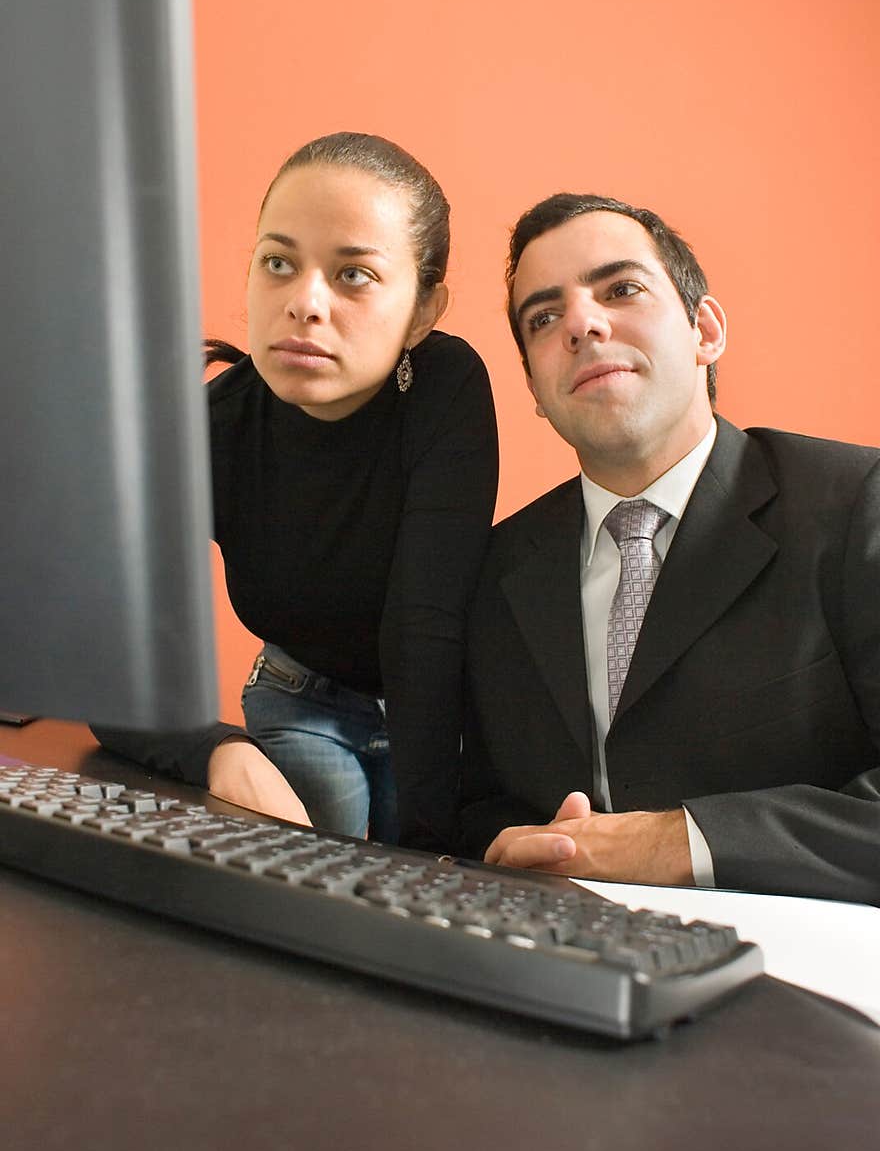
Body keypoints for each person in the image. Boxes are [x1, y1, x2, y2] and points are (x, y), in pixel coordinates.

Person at [456, 191, 880, 904]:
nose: (583, 325)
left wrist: (683, 840)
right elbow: (480, 805)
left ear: (705, 329)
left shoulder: (855, 501)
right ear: (533, 387)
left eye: (621, 289)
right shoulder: (496, 568)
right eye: (545, 316)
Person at [93, 132, 498, 850]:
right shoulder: (211, 429)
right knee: (318, 835)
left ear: (424, 310)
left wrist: (434, 857)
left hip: (439, 707)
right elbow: (106, 663)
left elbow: (424, 629)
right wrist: (223, 751)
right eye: (279, 263)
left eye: (354, 276)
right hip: (300, 700)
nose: (305, 302)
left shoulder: (446, 388)